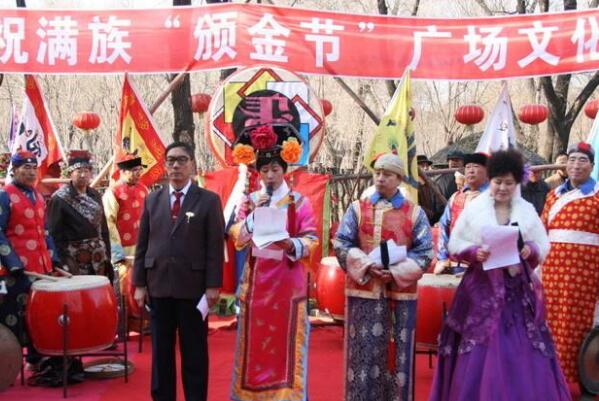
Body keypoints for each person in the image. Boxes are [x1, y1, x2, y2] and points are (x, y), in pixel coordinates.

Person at [428, 149, 571, 401]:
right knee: (481, 345)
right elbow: (455, 244)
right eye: (497, 182)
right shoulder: (475, 209)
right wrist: (474, 252)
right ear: (489, 180)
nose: (502, 187)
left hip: (517, 290)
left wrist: (530, 249)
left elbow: (543, 244)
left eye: (508, 182)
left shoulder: (526, 210)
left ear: (517, 183)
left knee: (520, 346)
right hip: (480, 289)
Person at [229, 124, 319, 401]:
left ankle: (287, 396)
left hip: (287, 284)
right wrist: (254, 217)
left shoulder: (299, 202)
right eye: (264, 170)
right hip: (256, 284)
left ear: (285, 171)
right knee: (255, 347)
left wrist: (292, 244)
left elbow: (312, 238)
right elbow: (236, 237)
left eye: (275, 170)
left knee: (286, 346)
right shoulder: (250, 201)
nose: (269, 175)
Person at [334, 152, 433, 401]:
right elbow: (342, 244)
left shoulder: (415, 213)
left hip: (400, 295)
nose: (380, 178)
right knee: (362, 353)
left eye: (387, 174)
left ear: (399, 179)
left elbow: (425, 252)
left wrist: (396, 272)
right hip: (364, 291)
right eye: (377, 173)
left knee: (396, 356)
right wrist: (367, 266)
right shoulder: (357, 208)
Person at [133, 142, 224, 401]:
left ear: (192, 165)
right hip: (158, 285)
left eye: (182, 160)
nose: (175, 165)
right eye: (171, 160)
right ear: (165, 165)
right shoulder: (152, 199)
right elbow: (143, 244)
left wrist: (213, 285)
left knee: (194, 351)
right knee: (161, 352)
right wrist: (139, 283)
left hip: (193, 288)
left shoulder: (208, 200)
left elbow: (215, 247)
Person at [540, 142, 599, 385]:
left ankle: (585, 378)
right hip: (552, 271)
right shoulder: (553, 195)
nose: (576, 165)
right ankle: (548, 376)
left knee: (581, 324)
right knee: (550, 320)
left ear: (592, 166)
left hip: (586, 274)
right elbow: (541, 231)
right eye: (572, 159)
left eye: (582, 160)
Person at [0, 151, 60, 355]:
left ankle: (38, 357)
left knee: (39, 314)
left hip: (41, 267)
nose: (31, 172)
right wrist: (12, 263)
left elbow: (45, 231)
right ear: (14, 170)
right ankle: (10, 361)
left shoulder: (38, 196)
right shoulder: (4, 195)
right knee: (15, 314)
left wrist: (54, 259)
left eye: (34, 168)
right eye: (26, 168)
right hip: (18, 269)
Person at [103, 152, 149, 330]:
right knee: (125, 286)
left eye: (139, 170)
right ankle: (125, 325)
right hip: (124, 248)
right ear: (122, 171)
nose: (138, 173)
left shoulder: (144, 189)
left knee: (144, 282)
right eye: (134, 170)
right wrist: (116, 251)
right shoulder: (113, 192)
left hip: (144, 245)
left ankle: (144, 322)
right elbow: (109, 221)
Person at [47, 150, 112, 278]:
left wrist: (108, 252)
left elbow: (103, 228)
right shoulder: (59, 199)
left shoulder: (95, 195)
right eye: (79, 171)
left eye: (86, 171)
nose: (83, 175)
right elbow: (54, 233)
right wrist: (63, 261)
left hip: (99, 254)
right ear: (70, 173)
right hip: (74, 257)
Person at [435, 153, 489, 274]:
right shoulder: (455, 197)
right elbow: (444, 227)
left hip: (485, 269)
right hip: (456, 266)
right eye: (468, 167)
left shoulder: (495, 198)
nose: (471, 170)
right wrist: (442, 258)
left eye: (475, 166)